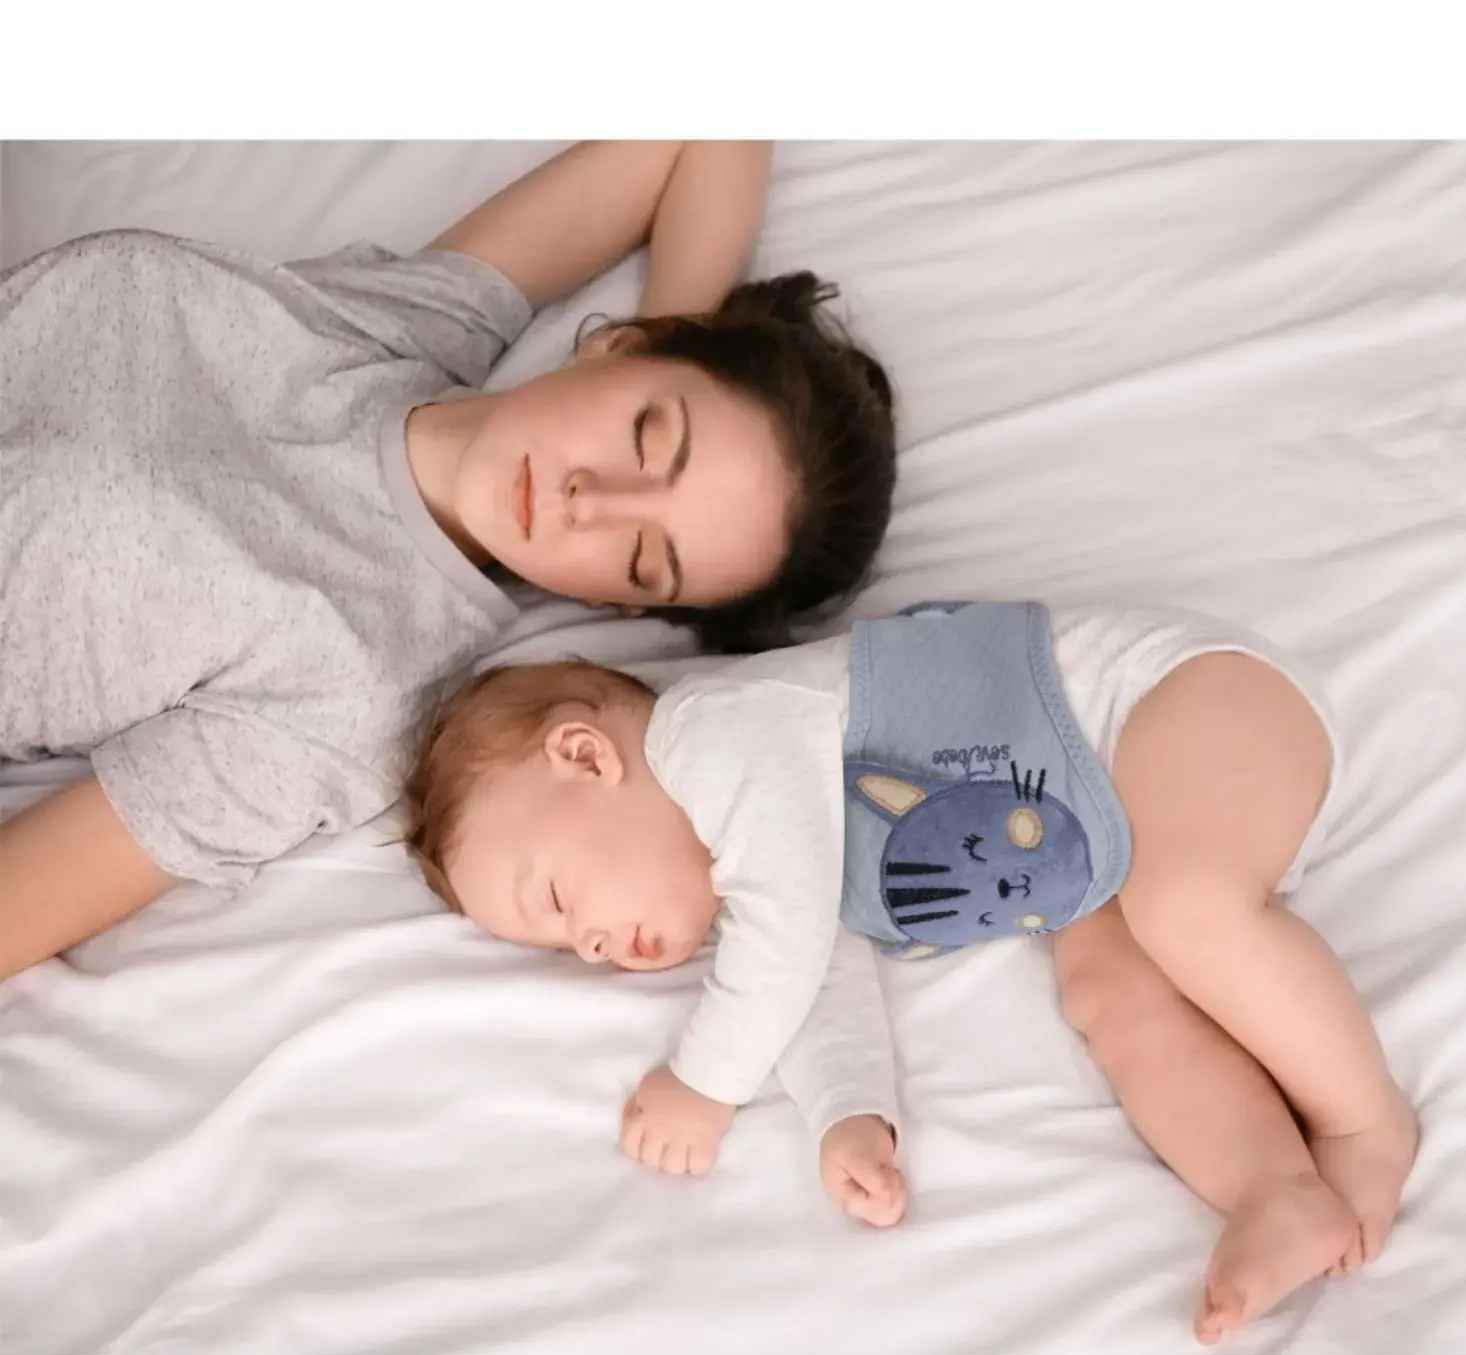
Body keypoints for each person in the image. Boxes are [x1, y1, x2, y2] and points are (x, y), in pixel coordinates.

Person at [401, 601, 1419, 1345]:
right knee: (1113, 994)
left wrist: (704, 1083)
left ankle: (1364, 1121)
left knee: (1185, 908)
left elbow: (783, 943)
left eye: (557, 898)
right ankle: (1276, 1190)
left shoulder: (712, 734)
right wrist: (850, 1114)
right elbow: (807, 969)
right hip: (1101, 846)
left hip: (1185, 701)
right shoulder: (755, 881)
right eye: (564, 948)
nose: (588, 945)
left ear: (586, 756)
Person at [0, 141, 897, 984]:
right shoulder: (406, 323)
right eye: (646, 433)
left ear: (624, 607)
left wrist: (655, 385)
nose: (589, 500)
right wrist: (674, 332)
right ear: (620, 344)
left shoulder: (355, 687)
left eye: (640, 559)